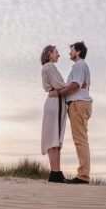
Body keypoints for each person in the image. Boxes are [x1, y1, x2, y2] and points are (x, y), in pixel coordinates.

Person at [49, 41, 92, 184]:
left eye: (72, 50)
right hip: (80, 104)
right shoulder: (80, 66)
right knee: (81, 140)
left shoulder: (80, 65)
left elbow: (75, 85)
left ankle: (83, 176)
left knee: (80, 140)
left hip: (78, 105)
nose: (69, 53)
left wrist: (59, 92)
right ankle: (83, 174)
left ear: (78, 52)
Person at [39, 44, 69, 183]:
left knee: (54, 139)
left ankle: (56, 172)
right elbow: (60, 84)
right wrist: (74, 85)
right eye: (56, 52)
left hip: (55, 101)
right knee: (54, 139)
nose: (58, 54)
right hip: (55, 102)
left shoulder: (48, 67)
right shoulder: (49, 66)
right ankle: (55, 173)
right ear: (49, 53)